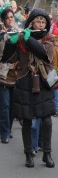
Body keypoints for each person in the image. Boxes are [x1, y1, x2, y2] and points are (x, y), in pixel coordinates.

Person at [2, 8, 56, 168]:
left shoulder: (50, 38)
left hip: (44, 81)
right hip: (25, 81)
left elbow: (45, 54)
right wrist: (9, 43)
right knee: (26, 120)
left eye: (43, 21)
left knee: (46, 120)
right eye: (38, 21)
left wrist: (28, 39)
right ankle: (28, 154)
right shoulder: (21, 38)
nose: (40, 24)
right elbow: (6, 58)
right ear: (31, 22)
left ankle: (47, 153)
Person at [0, 8, 17, 143]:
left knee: (12, 106)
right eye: (8, 17)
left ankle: (8, 129)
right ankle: (4, 133)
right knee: (5, 105)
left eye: (12, 17)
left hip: (16, 75)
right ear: (4, 20)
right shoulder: (1, 34)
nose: (10, 19)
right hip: (3, 74)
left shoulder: (19, 32)